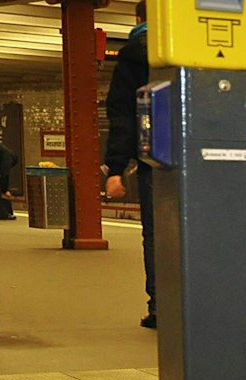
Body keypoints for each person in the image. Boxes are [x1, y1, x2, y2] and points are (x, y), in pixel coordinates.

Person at [102, 2, 152, 328]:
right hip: (213, 164)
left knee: (158, 234)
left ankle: (163, 305)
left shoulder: (134, 53)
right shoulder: (208, 48)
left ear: (138, 18)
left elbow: (122, 114)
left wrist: (116, 168)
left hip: (156, 163)